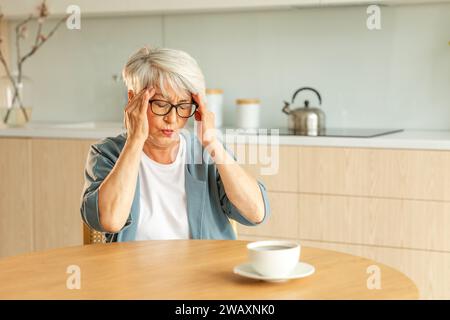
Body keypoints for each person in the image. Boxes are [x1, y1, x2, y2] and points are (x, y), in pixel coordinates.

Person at [80, 46, 270, 242]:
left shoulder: (205, 152)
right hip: (135, 271)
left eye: (183, 106)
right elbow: (110, 220)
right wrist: (135, 140)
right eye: (161, 104)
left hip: (203, 270)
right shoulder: (107, 153)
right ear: (133, 99)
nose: (172, 118)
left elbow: (256, 214)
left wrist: (212, 142)